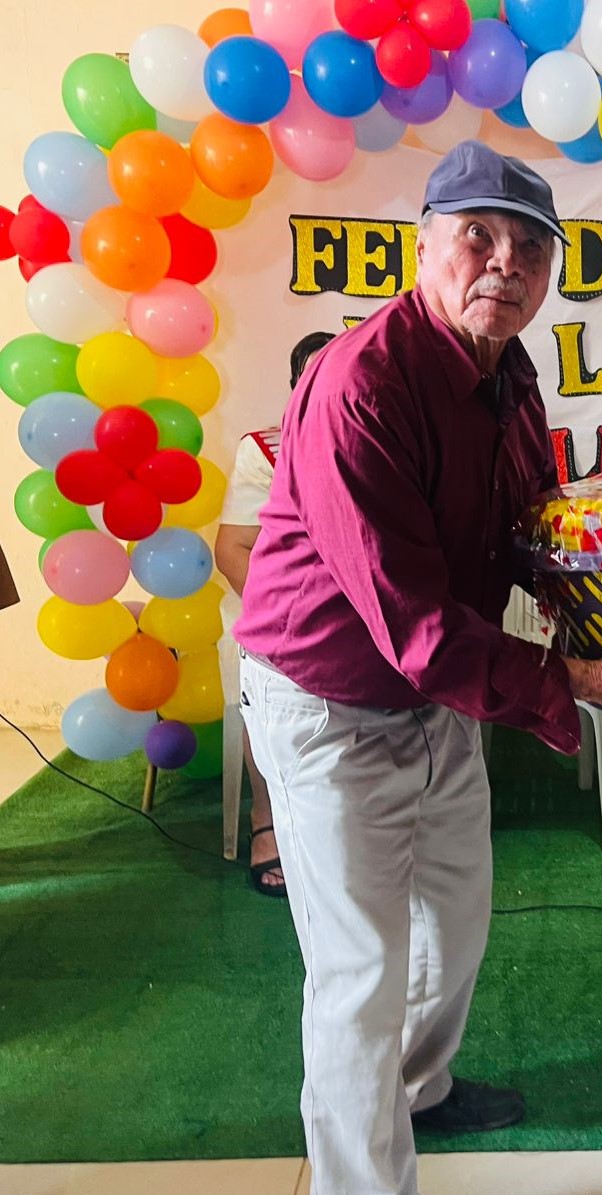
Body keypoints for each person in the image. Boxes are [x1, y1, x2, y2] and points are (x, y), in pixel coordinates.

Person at [234, 141, 602, 1195]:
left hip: (438, 692)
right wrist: (588, 680)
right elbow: (409, 622)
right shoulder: (360, 384)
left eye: (529, 248)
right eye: (477, 238)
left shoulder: (510, 371)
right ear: (423, 248)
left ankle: (420, 1089)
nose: (504, 264)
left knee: (451, 926)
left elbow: (521, 527)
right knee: (359, 974)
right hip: (329, 699)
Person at [214, 331, 335, 897]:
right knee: (267, 684)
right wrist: (295, 624)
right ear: (295, 386)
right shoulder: (264, 449)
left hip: (363, 618)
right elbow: (232, 549)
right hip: (279, 617)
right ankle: (266, 817)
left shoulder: (389, 438)